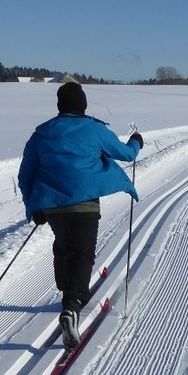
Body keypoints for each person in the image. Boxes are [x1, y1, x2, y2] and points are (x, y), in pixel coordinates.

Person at [18, 81, 143, 349]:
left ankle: (68, 292)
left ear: (60, 106)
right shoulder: (95, 130)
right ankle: (72, 306)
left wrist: (33, 207)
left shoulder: (41, 134)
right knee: (83, 252)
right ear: (83, 106)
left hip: (53, 206)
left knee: (64, 247)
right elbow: (126, 155)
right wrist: (136, 142)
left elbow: (25, 175)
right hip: (85, 204)